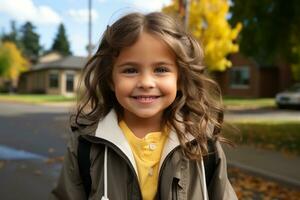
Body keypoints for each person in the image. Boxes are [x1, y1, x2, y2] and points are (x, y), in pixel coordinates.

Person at [50, 12, 237, 200]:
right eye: (130, 70)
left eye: (161, 70)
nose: (146, 82)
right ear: (110, 79)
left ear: (180, 78)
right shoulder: (86, 144)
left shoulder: (202, 141)